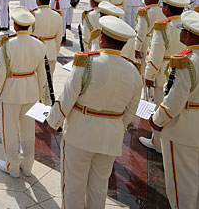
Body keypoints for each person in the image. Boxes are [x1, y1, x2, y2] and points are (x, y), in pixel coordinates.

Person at [46, 16, 141, 209]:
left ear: (102, 39)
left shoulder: (86, 63)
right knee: (99, 188)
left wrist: (52, 122)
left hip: (80, 134)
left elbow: (67, 97)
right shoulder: (133, 70)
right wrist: (115, 126)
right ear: (123, 45)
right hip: (111, 137)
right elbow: (131, 111)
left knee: (73, 186)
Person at [149, 11, 199, 209]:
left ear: (191, 36)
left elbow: (174, 103)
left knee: (182, 184)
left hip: (182, 129)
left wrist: (156, 121)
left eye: (183, 31)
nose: (181, 34)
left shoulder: (186, 61)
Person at [0, 7, 48, 178]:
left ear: (15, 25)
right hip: (31, 90)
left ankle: (13, 166)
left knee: (10, 130)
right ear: (29, 26)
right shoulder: (39, 44)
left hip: (11, 91)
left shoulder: (8, 44)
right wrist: (41, 96)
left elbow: (1, 71)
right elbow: (43, 74)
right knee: (28, 131)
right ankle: (27, 166)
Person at [140, 0, 189, 153]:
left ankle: (159, 143)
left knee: (161, 107)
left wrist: (149, 75)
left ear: (167, 9)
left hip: (165, 72)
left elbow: (155, 56)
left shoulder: (163, 28)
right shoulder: (188, 24)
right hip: (187, 69)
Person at [31, 0, 63, 77]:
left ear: (38, 1)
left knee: (36, 80)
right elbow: (59, 38)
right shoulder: (57, 15)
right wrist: (55, 51)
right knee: (49, 78)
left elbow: (29, 35)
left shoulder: (33, 15)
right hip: (51, 49)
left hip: (36, 50)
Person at [134, 0, 163, 71]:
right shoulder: (162, 10)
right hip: (159, 40)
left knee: (144, 66)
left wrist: (137, 48)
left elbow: (141, 32)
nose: (144, 0)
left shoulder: (145, 12)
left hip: (146, 42)